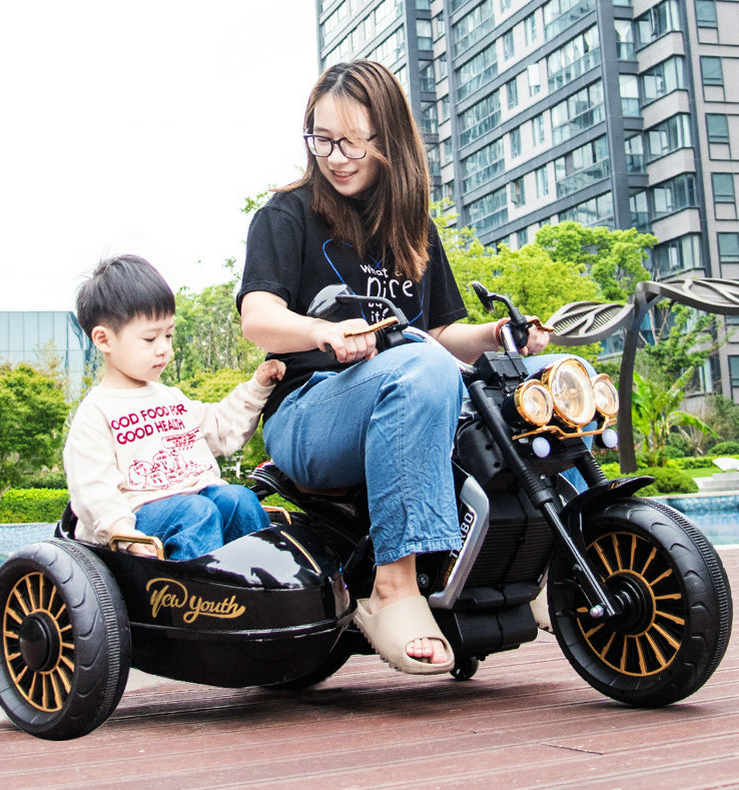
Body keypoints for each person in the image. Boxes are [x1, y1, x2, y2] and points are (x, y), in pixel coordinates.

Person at [237, 60, 553, 675]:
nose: (336, 156)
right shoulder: (286, 214)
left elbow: (438, 334)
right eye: (322, 139)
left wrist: (497, 334)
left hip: (409, 392)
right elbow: (258, 316)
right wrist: (324, 331)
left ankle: (537, 561)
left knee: (540, 381)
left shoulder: (415, 229)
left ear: (391, 140)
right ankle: (392, 588)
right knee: (423, 369)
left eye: (352, 141)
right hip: (310, 413)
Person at [64, 254, 285, 560]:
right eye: (150, 338)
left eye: (168, 334)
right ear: (104, 340)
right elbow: (94, 489)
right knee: (197, 511)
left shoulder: (172, 399)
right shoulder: (96, 413)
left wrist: (258, 387)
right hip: (138, 520)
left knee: (239, 499)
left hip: (195, 503)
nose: (164, 348)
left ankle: (264, 581)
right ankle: (200, 601)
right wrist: (122, 533)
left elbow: (222, 428)